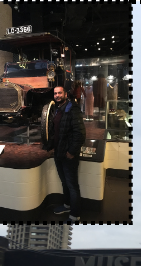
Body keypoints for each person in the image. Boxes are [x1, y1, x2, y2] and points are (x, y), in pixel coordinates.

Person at [43, 86, 86, 222]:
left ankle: (75, 215)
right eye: (55, 93)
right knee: (65, 183)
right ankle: (67, 205)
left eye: (59, 93)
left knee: (72, 185)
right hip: (59, 153)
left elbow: (80, 133)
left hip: (68, 155)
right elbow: (55, 131)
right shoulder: (58, 109)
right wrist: (49, 146)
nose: (57, 95)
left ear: (65, 94)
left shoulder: (72, 108)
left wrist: (71, 152)